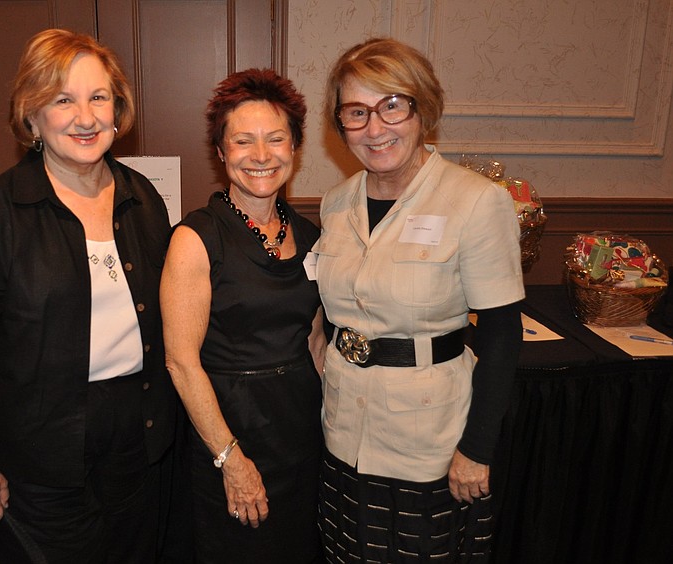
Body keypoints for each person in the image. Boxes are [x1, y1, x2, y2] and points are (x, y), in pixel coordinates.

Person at [0, 29, 178, 563]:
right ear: (32, 115)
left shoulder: (144, 199)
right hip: (38, 459)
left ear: (118, 109)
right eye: (62, 100)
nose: (85, 117)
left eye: (98, 97)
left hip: (138, 443)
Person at [313, 38, 525, 562]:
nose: (375, 128)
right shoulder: (336, 202)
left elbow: (501, 335)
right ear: (340, 126)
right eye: (356, 112)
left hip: (429, 443)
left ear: (422, 109)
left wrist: (476, 450)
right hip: (344, 432)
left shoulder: (476, 201)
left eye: (392, 105)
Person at [160, 68, 326, 563]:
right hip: (230, 436)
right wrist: (231, 460)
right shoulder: (196, 238)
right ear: (221, 152)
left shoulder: (312, 236)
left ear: (294, 148)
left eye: (276, 139)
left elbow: (316, 342)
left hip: (301, 437)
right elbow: (180, 363)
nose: (260, 155)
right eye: (243, 141)